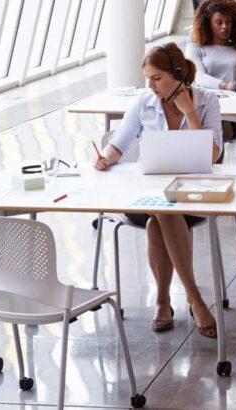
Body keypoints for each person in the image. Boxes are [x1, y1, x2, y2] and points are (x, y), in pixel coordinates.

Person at [93, 43, 221, 339]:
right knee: (162, 211)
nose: (150, 86)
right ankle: (194, 298)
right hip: (145, 198)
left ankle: (163, 300)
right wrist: (105, 159)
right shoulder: (143, 103)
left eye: (157, 78)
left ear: (178, 74)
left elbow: (213, 156)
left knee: (159, 218)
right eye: (147, 78)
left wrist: (190, 112)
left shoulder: (207, 101)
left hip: (191, 198)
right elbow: (117, 146)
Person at [185, 0, 236, 91]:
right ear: (208, 24)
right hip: (207, 98)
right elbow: (199, 77)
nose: (225, 26)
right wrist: (225, 85)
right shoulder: (195, 49)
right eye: (219, 22)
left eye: (228, 22)